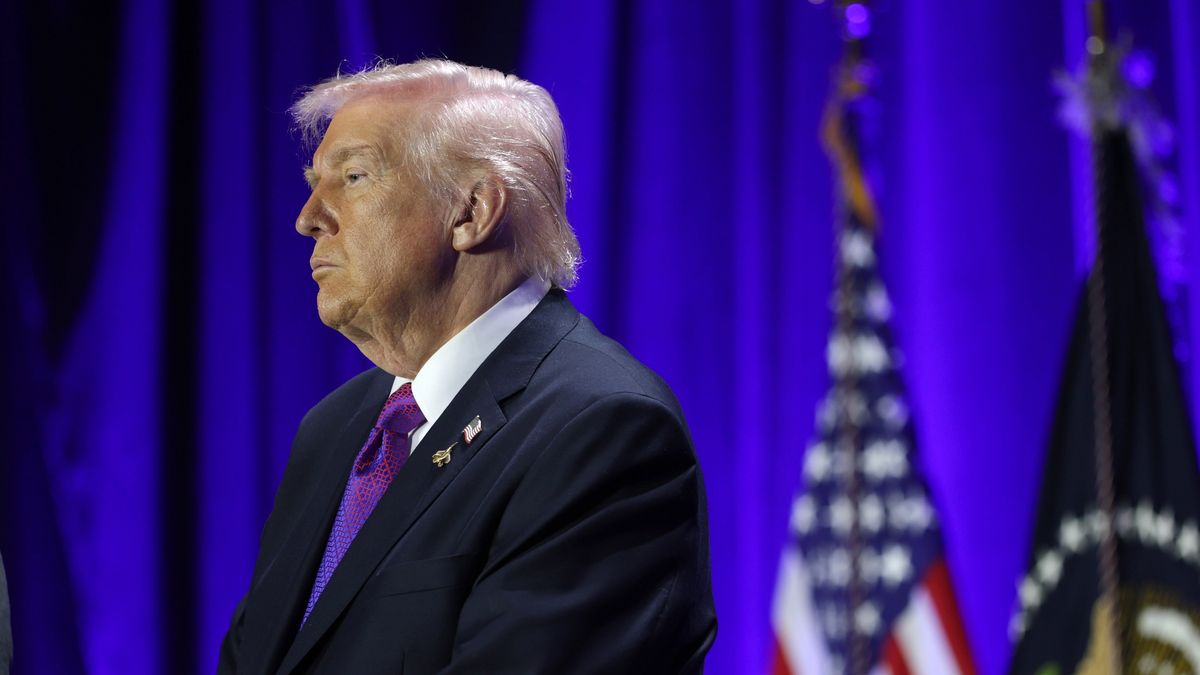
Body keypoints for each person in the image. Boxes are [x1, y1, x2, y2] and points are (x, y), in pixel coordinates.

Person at [219, 59, 716, 674]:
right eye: (313, 181)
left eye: (352, 176)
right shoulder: (336, 429)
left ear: (473, 211)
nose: (309, 216)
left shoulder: (602, 430)